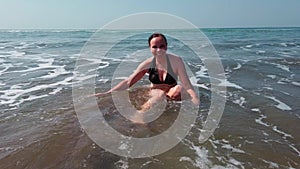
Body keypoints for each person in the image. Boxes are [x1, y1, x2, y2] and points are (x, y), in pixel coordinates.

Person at [95, 32, 200, 117]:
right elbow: (128, 82)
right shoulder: (147, 64)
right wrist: (108, 93)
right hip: (155, 93)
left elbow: (187, 85)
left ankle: (167, 109)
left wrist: (195, 99)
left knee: (179, 89)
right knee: (159, 94)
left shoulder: (176, 61)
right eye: (155, 47)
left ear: (166, 46)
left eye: (162, 46)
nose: (159, 50)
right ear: (150, 48)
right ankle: (139, 115)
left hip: (171, 95)